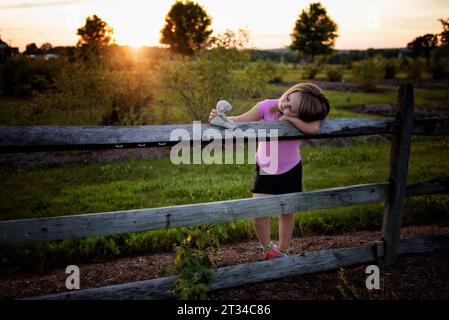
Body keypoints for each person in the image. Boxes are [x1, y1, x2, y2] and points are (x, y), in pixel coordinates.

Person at [208, 83, 330, 260]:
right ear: (289, 91)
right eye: (287, 99)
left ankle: (284, 250)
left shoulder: (307, 113)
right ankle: (267, 249)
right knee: (259, 211)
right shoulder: (267, 106)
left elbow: (313, 128)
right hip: (266, 167)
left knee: (287, 211)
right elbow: (240, 120)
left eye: (291, 108)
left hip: (291, 168)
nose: (284, 105)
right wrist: (221, 118)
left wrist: (290, 119)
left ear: (302, 113)